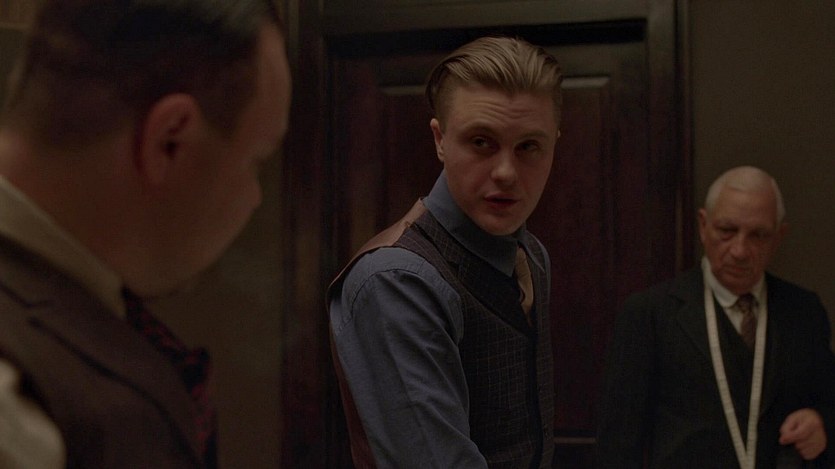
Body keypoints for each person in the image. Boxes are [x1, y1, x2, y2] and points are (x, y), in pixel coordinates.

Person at [0, 1, 291, 467]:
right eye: (255, 160)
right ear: (169, 140)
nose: (254, 198)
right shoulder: (16, 419)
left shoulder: (85, 306)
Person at [328, 36, 563, 468]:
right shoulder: (397, 279)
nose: (506, 172)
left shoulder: (532, 255)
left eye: (529, 146)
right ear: (440, 139)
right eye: (481, 142)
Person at [596, 166, 835, 468]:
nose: (740, 250)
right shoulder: (650, 314)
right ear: (703, 226)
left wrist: (821, 423)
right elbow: (617, 445)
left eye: (758, 235)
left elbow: (828, 402)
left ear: (778, 237)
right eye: (727, 230)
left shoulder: (803, 311)